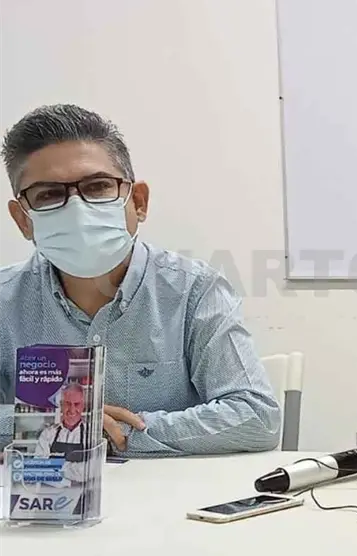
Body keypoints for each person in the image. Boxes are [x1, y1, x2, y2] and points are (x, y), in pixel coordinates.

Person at [0, 104, 281, 457]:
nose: (77, 209)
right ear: (23, 220)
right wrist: (50, 423)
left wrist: (116, 433)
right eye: (49, 195)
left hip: (172, 490)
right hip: (42, 492)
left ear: (138, 201)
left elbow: (257, 418)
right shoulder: (5, 301)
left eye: (97, 187)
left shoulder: (195, 290)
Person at [34, 382, 87, 483]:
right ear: (61, 405)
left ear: (83, 406)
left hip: (81, 491)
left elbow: (90, 471)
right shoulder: (48, 433)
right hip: (50, 491)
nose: (72, 410)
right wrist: (74, 472)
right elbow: (39, 466)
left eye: (76, 404)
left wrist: (54, 465)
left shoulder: (90, 434)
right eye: (68, 403)